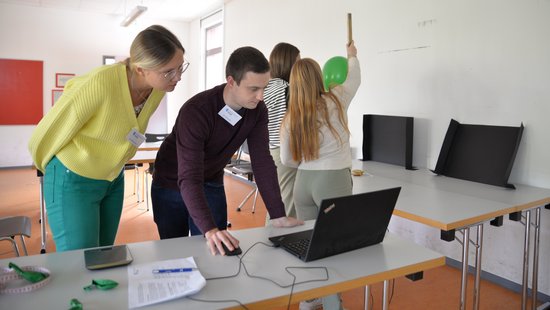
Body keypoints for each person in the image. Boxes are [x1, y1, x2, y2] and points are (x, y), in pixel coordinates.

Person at [28, 25, 187, 252]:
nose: (178, 77)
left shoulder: (158, 88)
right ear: (141, 69)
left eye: (180, 68)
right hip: (72, 176)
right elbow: (46, 132)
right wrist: (51, 172)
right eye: (169, 71)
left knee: (103, 255)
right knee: (80, 260)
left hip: (113, 177)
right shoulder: (100, 83)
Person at [151, 46, 303, 256]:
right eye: (253, 89)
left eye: (264, 88)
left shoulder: (257, 110)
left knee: (216, 251)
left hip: (211, 180)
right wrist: (209, 229)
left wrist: (278, 215)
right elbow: (189, 177)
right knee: (174, 252)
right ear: (231, 82)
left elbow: (263, 162)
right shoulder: (197, 111)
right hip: (171, 182)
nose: (260, 96)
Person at [280, 41, 360, 310]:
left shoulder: (292, 115)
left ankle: (308, 300)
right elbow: (354, 79)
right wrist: (351, 56)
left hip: (304, 182)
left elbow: (286, 159)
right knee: (332, 248)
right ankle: (332, 304)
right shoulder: (335, 100)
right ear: (319, 77)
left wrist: (304, 159)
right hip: (332, 181)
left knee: (309, 245)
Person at [264, 42, 301, 220]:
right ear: (289, 63)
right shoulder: (287, 88)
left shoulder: (268, 86)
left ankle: (271, 237)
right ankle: (283, 239)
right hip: (284, 149)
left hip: (269, 149)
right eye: (298, 61)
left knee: (275, 200)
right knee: (287, 201)